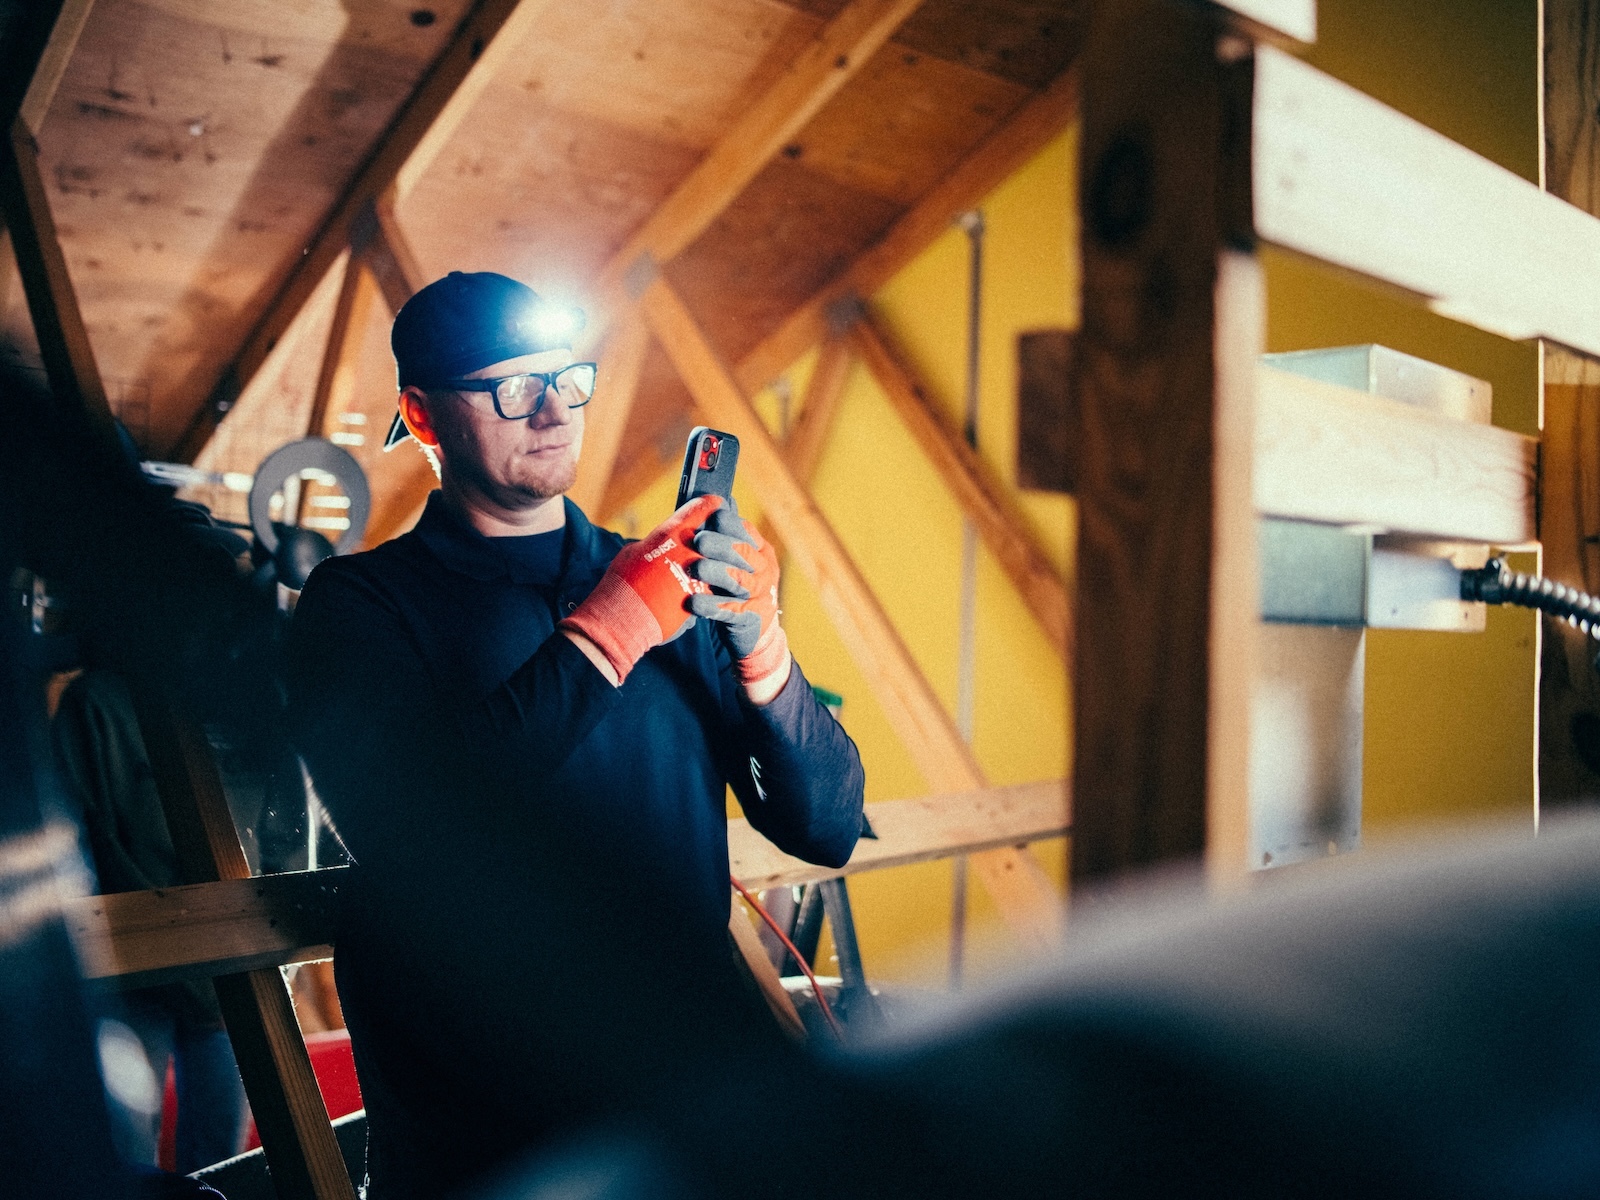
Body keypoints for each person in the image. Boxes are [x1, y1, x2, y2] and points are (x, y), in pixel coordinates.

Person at [284, 271, 865, 1199]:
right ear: (423, 416)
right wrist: (610, 632)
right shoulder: (360, 608)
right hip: (482, 1120)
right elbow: (415, 833)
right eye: (513, 388)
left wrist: (763, 650)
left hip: (676, 1102)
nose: (553, 410)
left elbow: (827, 827)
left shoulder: (662, 581)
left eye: (568, 379)